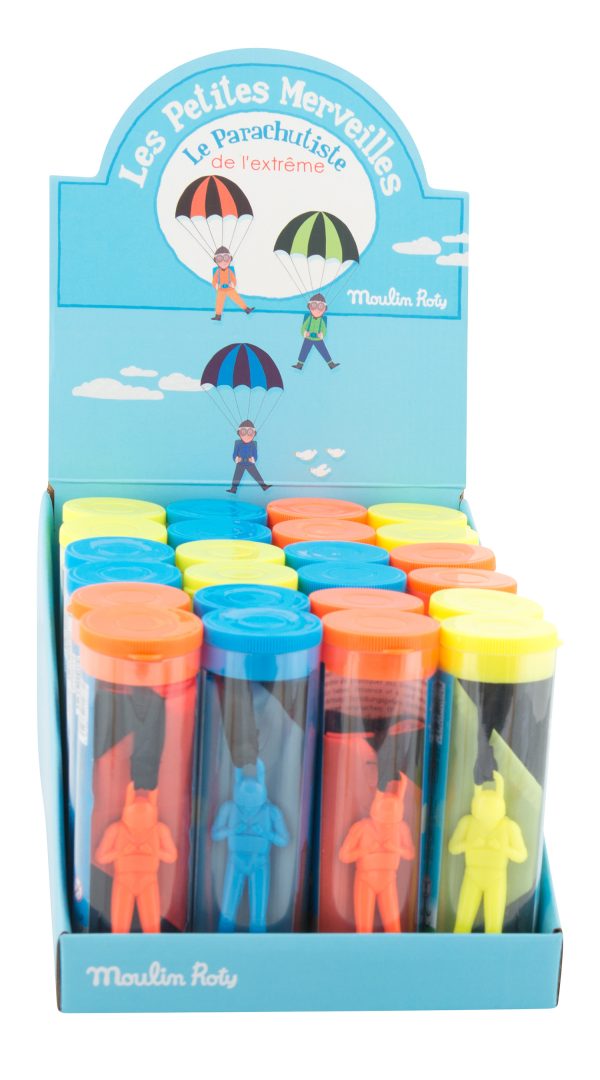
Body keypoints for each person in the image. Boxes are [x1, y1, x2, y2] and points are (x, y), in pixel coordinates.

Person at [292, 293, 339, 371]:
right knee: (304, 351)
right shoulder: (309, 318)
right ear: (309, 306)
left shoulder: (322, 320)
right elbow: (303, 328)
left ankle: (331, 364)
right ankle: (299, 365)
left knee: (324, 351)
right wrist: (305, 333)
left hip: (318, 339)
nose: (317, 309)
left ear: (324, 308)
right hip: (308, 338)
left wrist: (321, 335)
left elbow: (324, 330)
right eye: (314, 305)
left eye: (320, 306)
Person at [211, 246, 254, 321]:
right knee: (219, 302)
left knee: (237, 299)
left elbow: (234, 280)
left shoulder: (230, 272)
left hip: (230, 289)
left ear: (230, 259)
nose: (223, 262)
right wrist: (217, 286)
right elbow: (214, 282)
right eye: (219, 259)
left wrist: (232, 284)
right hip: (221, 290)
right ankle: (218, 315)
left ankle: (246, 309)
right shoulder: (217, 272)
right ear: (216, 260)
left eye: (226, 258)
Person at [227, 420, 271, 494]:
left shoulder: (253, 444)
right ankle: (233, 489)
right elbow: (234, 454)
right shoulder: (238, 444)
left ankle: (264, 486)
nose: (247, 435)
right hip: (240, 463)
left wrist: (253, 459)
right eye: (243, 432)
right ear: (239, 433)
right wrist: (236, 459)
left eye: (250, 432)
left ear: (254, 433)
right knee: (236, 476)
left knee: (256, 475)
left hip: (249, 463)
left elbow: (255, 454)